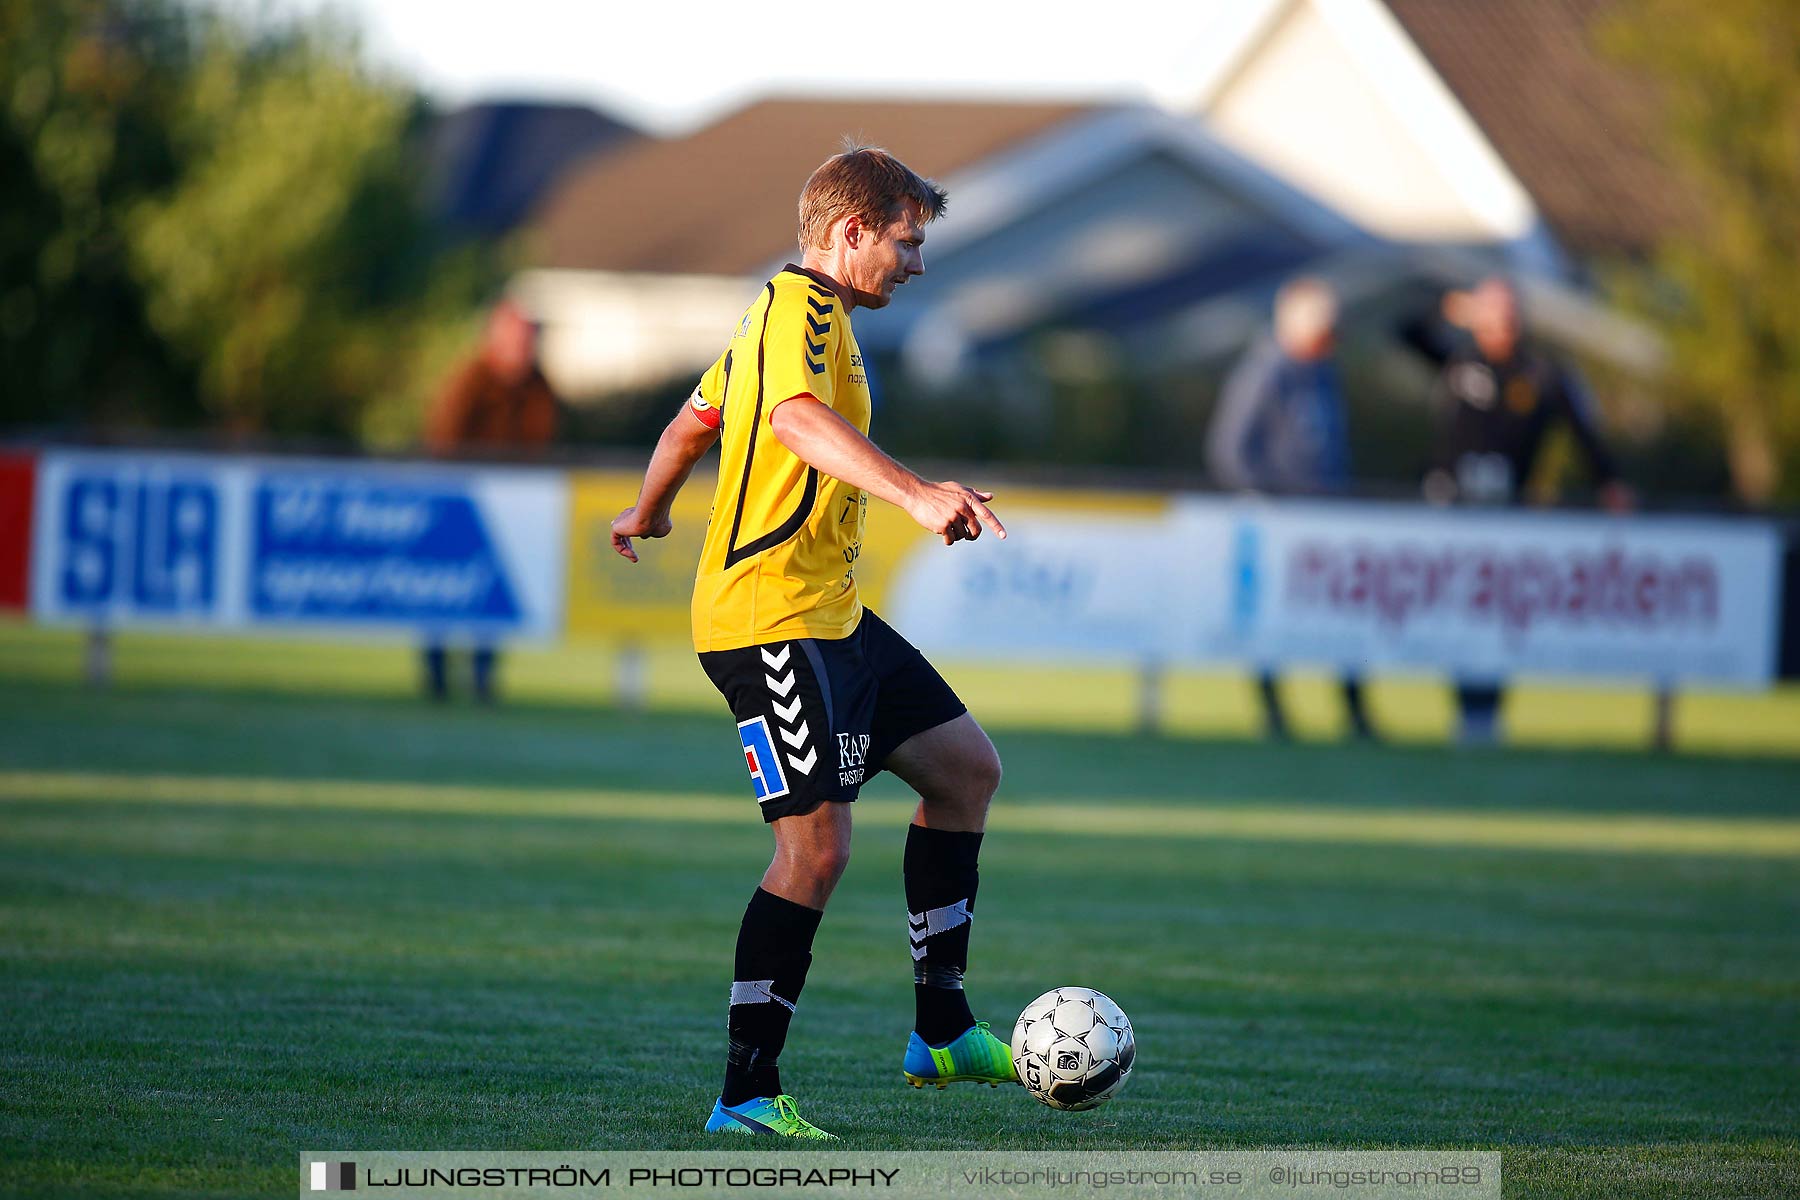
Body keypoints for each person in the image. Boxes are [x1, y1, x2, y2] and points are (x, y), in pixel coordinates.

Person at [609, 145, 1015, 1140]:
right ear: (850, 233)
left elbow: (694, 421)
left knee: (965, 771)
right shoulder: (799, 313)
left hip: (830, 616)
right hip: (767, 622)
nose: (916, 264)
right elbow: (789, 421)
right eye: (906, 243)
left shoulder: (787, 320)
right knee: (815, 848)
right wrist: (917, 493)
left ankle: (944, 1028)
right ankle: (746, 1091)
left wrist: (649, 510)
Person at [1400, 276, 1632, 743]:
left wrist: (1609, 483)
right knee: (1457, 612)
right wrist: (1448, 308)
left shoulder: (1542, 374)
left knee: (1499, 614)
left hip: (1509, 516)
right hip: (1453, 511)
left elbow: (1583, 433)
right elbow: (1405, 331)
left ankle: (1486, 714)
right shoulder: (1459, 363)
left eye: (1508, 316)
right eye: (1491, 315)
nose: (1500, 326)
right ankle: (1467, 707)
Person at [1207, 277, 1375, 741]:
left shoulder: (1321, 370)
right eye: (1324, 327)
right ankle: (1276, 716)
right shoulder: (1266, 371)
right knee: (1272, 623)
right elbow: (1230, 450)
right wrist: (1269, 503)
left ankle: (1356, 715)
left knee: (1341, 619)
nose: (1332, 338)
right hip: (1280, 525)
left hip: (1324, 522)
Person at [421, 299, 560, 703]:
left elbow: (542, 441)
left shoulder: (538, 385)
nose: (524, 348)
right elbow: (443, 437)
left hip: (511, 506)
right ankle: (437, 680)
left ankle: (482, 679)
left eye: (528, 340)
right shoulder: (470, 380)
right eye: (518, 339)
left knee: (493, 597)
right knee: (442, 594)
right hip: (458, 501)